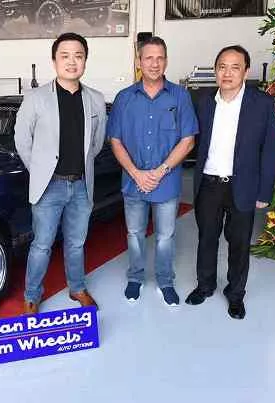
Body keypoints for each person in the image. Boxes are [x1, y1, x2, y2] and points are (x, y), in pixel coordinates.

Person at [14, 32, 107, 314]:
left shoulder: (96, 99)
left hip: (81, 185)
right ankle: (32, 294)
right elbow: (22, 139)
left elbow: (97, 142)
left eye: (78, 56)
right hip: (48, 187)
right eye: (65, 56)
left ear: (85, 61)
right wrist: (40, 171)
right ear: (54, 61)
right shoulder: (35, 98)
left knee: (76, 243)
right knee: (41, 245)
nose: (72, 62)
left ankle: (77, 288)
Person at [185, 45, 275, 319]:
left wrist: (264, 191)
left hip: (244, 185)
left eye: (234, 67)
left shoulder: (261, 104)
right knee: (206, 238)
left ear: (246, 71)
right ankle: (205, 286)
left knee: (239, 243)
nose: (227, 73)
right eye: (222, 67)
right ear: (215, 71)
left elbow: (270, 149)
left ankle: (236, 294)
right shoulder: (202, 101)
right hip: (209, 184)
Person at [107, 36, 197, 306]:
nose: (154, 63)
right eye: (148, 58)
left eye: (159, 58)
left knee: (165, 236)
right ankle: (135, 278)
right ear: (139, 61)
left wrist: (161, 171)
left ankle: (165, 281)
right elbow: (115, 141)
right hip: (133, 183)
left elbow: (188, 139)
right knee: (134, 234)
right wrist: (136, 173)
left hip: (166, 183)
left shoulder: (180, 96)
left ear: (166, 61)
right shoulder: (124, 98)